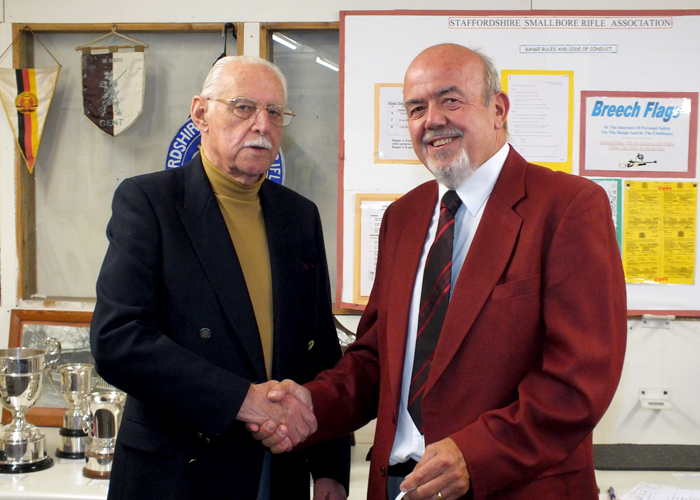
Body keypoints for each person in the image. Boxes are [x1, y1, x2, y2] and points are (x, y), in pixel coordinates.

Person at [252, 43, 627, 500]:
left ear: (498, 110)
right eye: (416, 108)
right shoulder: (403, 218)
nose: (432, 120)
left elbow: (579, 380)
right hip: (398, 484)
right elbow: (375, 359)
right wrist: (313, 403)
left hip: (512, 486)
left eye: (450, 100)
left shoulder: (568, 206)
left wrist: (476, 454)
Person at [90, 55, 350, 500]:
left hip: (280, 468)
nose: (262, 125)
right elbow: (118, 340)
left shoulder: (299, 216)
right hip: (178, 473)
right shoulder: (149, 203)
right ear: (200, 113)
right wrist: (238, 398)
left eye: (274, 112)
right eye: (243, 107)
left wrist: (330, 469)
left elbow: (320, 349)